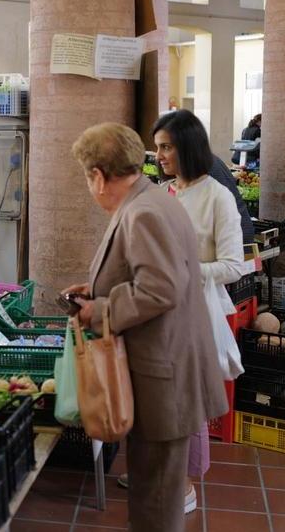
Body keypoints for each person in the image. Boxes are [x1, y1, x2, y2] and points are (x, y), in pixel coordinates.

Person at [65, 122, 227, 532]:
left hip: (164, 377)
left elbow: (160, 289)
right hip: (164, 368)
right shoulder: (151, 199)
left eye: (88, 177)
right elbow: (153, 273)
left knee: (155, 502)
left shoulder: (144, 211)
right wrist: (99, 288)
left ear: (98, 176)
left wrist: (98, 310)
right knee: (153, 492)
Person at [136, 110, 245, 512]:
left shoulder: (217, 197)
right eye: (157, 147)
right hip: (155, 310)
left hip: (194, 315)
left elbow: (234, 266)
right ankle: (158, 472)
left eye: (166, 147)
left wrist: (187, 271)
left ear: (188, 147)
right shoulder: (164, 193)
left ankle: (183, 486)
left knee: (184, 403)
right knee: (156, 398)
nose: (159, 155)